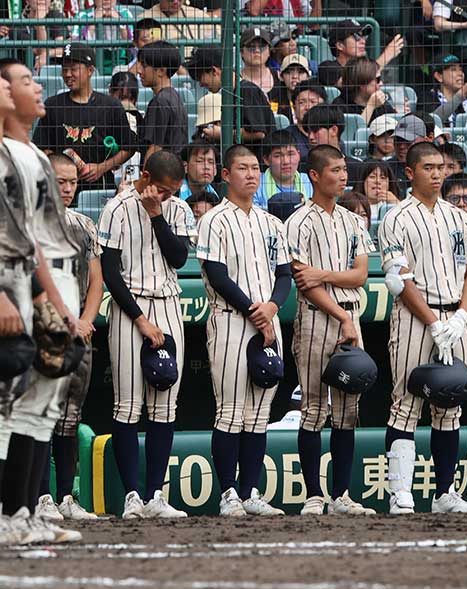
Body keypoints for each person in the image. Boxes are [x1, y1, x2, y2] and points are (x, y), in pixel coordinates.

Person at [0, 58, 81, 545]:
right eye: (23, 82)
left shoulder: (31, 153)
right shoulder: (7, 155)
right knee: (10, 404)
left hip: (41, 275)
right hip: (13, 278)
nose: (34, 88)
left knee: (41, 407)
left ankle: (24, 511)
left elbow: (32, 239)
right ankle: (10, 513)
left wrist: (55, 300)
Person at [378, 142, 467, 514]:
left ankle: (445, 493)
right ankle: (400, 493)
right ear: (410, 173)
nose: (437, 173)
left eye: (441, 167)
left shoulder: (459, 217)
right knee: (406, 405)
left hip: (455, 318)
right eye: (428, 167)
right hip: (415, 318)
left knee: (450, 406)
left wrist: (462, 316)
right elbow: (399, 278)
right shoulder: (396, 217)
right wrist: (434, 321)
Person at [196, 145, 292, 518]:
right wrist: (257, 313)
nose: (251, 174)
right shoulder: (214, 220)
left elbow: (284, 274)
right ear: (226, 174)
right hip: (231, 321)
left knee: (258, 413)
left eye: (255, 168)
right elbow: (217, 275)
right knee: (231, 412)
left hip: (267, 321)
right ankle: (229, 493)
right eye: (242, 168)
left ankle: (250, 491)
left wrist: (272, 308)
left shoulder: (272, 223)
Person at [97, 151, 194, 520]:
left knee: (165, 403)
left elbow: (179, 258)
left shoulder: (176, 209)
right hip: (130, 306)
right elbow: (110, 272)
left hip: (168, 302)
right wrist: (140, 319)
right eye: (164, 189)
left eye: (174, 191)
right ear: (147, 177)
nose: (168, 196)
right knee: (128, 405)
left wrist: (157, 214)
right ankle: (132, 496)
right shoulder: (117, 208)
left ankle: (155, 494)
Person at [284, 145, 376, 516]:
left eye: (344, 170)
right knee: (313, 409)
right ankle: (313, 494)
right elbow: (303, 282)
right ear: (315, 175)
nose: (342, 176)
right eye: (335, 170)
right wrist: (341, 314)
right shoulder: (298, 221)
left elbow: (361, 275)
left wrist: (323, 274)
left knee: (347, 410)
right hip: (317, 319)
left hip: (350, 318)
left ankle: (341, 496)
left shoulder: (353, 221)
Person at [36, 153, 103, 521]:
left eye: (73, 182)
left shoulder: (84, 225)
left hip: (78, 334)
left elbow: (96, 281)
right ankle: (40, 497)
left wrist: (86, 320)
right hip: (42, 331)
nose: (67, 188)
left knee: (69, 418)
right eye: (60, 181)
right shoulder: (29, 223)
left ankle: (65, 497)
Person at [33, 43, 136, 192]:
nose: (68, 74)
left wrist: (101, 167)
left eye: (74, 69)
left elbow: (128, 148)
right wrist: (61, 167)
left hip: (100, 187)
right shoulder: (53, 105)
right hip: (62, 189)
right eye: (64, 69)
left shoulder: (110, 106)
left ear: (90, 70)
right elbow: (42, 147)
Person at [185, 47, 275, 164]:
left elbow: (259, 133)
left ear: (214, 71)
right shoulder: (231, 94)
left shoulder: (246, 90)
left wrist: (222, 133)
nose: (201, 84)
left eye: (200, 77)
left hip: (258, 164)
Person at [137, 41, 188, 161]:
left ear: (161, 71)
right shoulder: (174, 97)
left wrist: (145, 173)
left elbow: (155, 148)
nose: (139, 70)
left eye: (144, 66)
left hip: (161, 168)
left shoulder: (160, 102)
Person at [302, 104, 365, 186]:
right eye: (309, 132)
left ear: (334, 130)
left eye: (315, 131)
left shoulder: (358, 169)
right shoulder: (301, 166)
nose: (310, 137)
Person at [140, 0, 219, 60]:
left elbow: (219, 37)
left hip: (201, 67)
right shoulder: (145, 19)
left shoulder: (197, 13)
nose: (175, 1)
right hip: (171, 69)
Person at [421, 54, 467, 128]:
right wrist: (461, 95)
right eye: (453, 69)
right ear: (439, 76)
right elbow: (431, 122)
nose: (460, 74)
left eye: (460, 69)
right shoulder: (427, 100)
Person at [253, 129, 308, 210]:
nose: (286, 161)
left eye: (290, 154)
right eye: (277, 156)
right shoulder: (255, 183)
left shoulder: (310, 181)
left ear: (299, 155)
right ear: (266, 160)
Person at [333, 58, 396, 126]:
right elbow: (355, 131)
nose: (381, 83)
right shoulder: (339, 106)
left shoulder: (381, 103)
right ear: (362, 83)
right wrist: (370, 106)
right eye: (377, 79)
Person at [72, 0, 134, 67]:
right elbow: (76, 46)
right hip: (90, 64)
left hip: (121, 63)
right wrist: (94, 21)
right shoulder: (82, 15)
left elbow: (131, 44)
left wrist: (119, 21)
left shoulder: (125, 13)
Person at [326, 19, 405, 71]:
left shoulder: (364, 66)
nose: (363, 41)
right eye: (357, 37)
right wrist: (386, 56)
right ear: (340, 45)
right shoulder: (328, 68)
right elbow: (357, 83)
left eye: (364, 37)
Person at [285, 81, 326, 156]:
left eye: (313, 102)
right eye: (302, 102)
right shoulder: (285, 137)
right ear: (294, 108)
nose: (308, 107)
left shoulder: (332, 136)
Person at [269, 54, 311, 122]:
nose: (295, 76)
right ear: (281, 77)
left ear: (308, 76)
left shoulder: (313, 101)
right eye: (289, 72)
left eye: (300, 72)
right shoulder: (272, 102)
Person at [240, 27, 275, 95]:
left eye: (262, 46)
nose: (257, 50)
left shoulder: (280, 78)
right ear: (242, 52)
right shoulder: (234, 81)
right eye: (251, 47)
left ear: (269, 51)